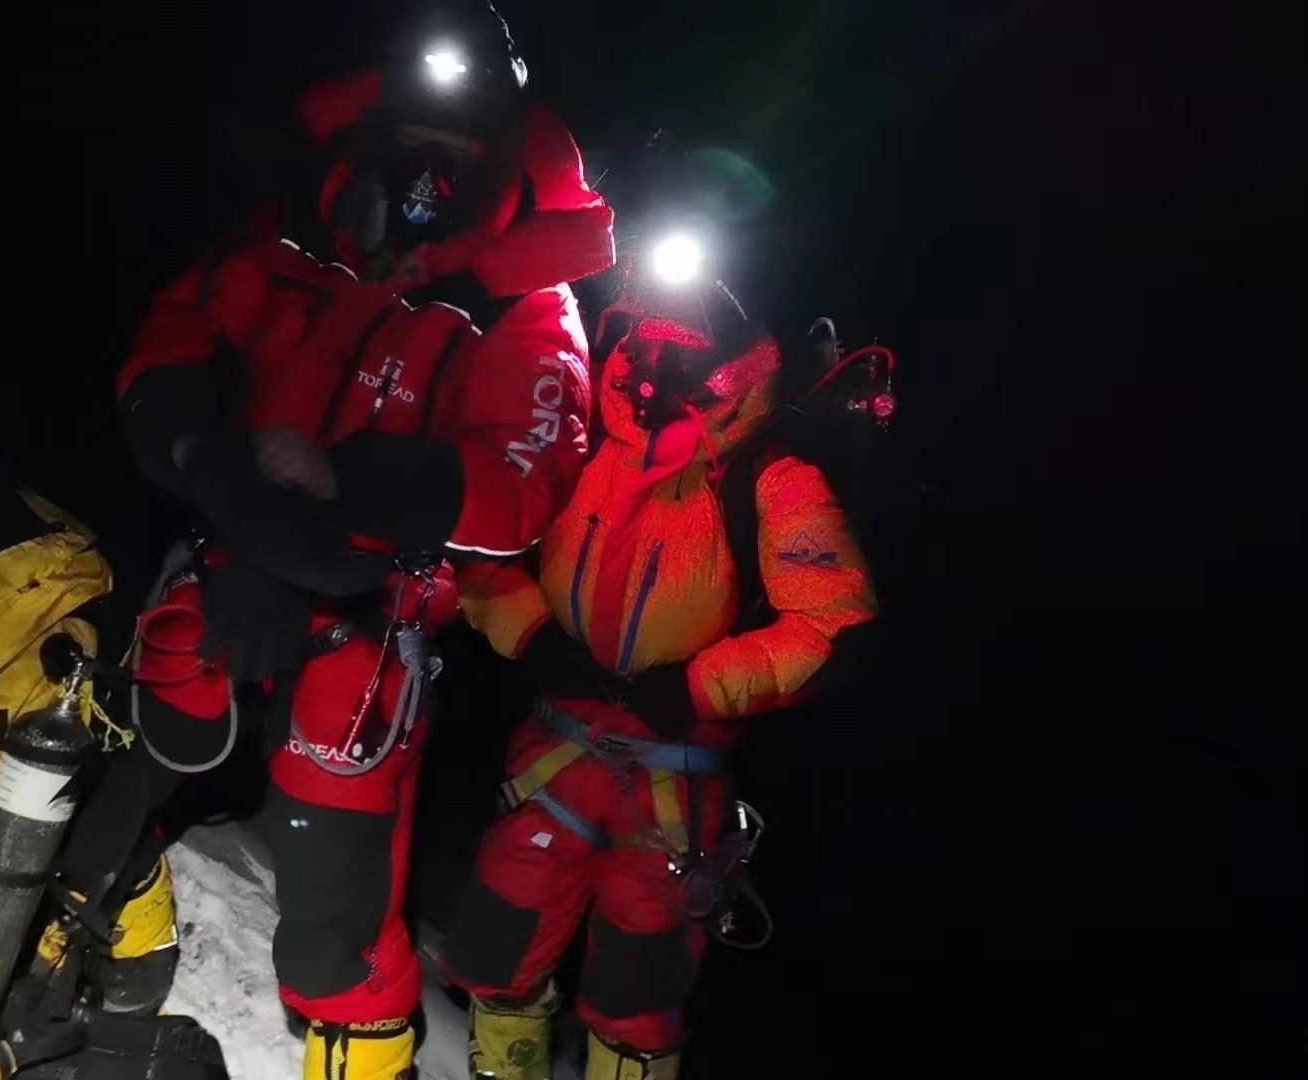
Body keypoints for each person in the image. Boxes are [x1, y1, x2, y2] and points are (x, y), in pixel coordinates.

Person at [103, 4, 616, 1077]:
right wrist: (200, 450)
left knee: (335, 900)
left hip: (373, 610)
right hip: (228, 551)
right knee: (118, 777)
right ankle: (107, 979)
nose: (425, 177)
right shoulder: (301, 229)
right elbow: (179, 332)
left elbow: (523, 482)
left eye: (453, 153)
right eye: (408, 145)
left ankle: (361, 1053)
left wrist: (349, 483)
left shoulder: (529, 307)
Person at [440, 277, 878, 1079]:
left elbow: (832, 624)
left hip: (671, 786)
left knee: (636, 998)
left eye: (686, 342)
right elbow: (486, 541)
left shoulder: (770, 474)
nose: (663, 356)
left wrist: (699, 685)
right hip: (554, 755)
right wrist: (530, 631)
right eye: (654, 333)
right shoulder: (580, 432)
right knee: (495, 954)